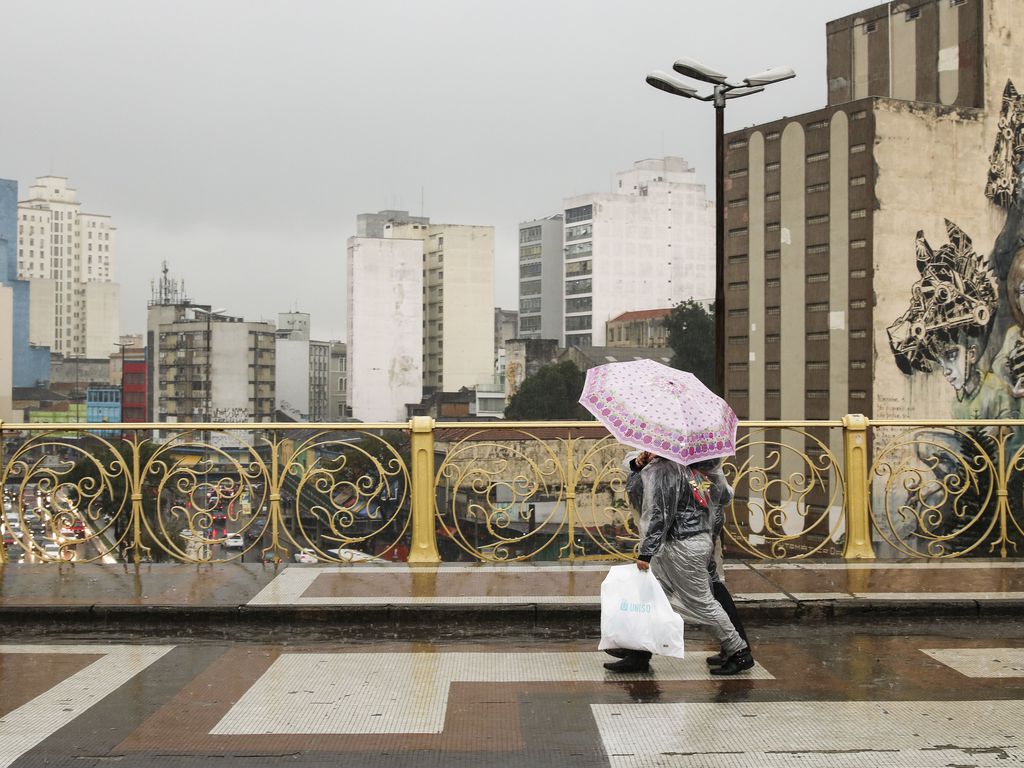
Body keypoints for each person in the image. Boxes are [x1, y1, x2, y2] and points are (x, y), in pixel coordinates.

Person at [603, 453, 753, 675]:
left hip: (681, 545)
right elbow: (720, 497)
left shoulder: (666, 470)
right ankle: (637, 651)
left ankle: (739, 652)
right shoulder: (699, 466)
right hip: (696, 539)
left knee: (702, 603)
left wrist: (646, 553)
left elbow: (659, 514)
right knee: (652, 597)